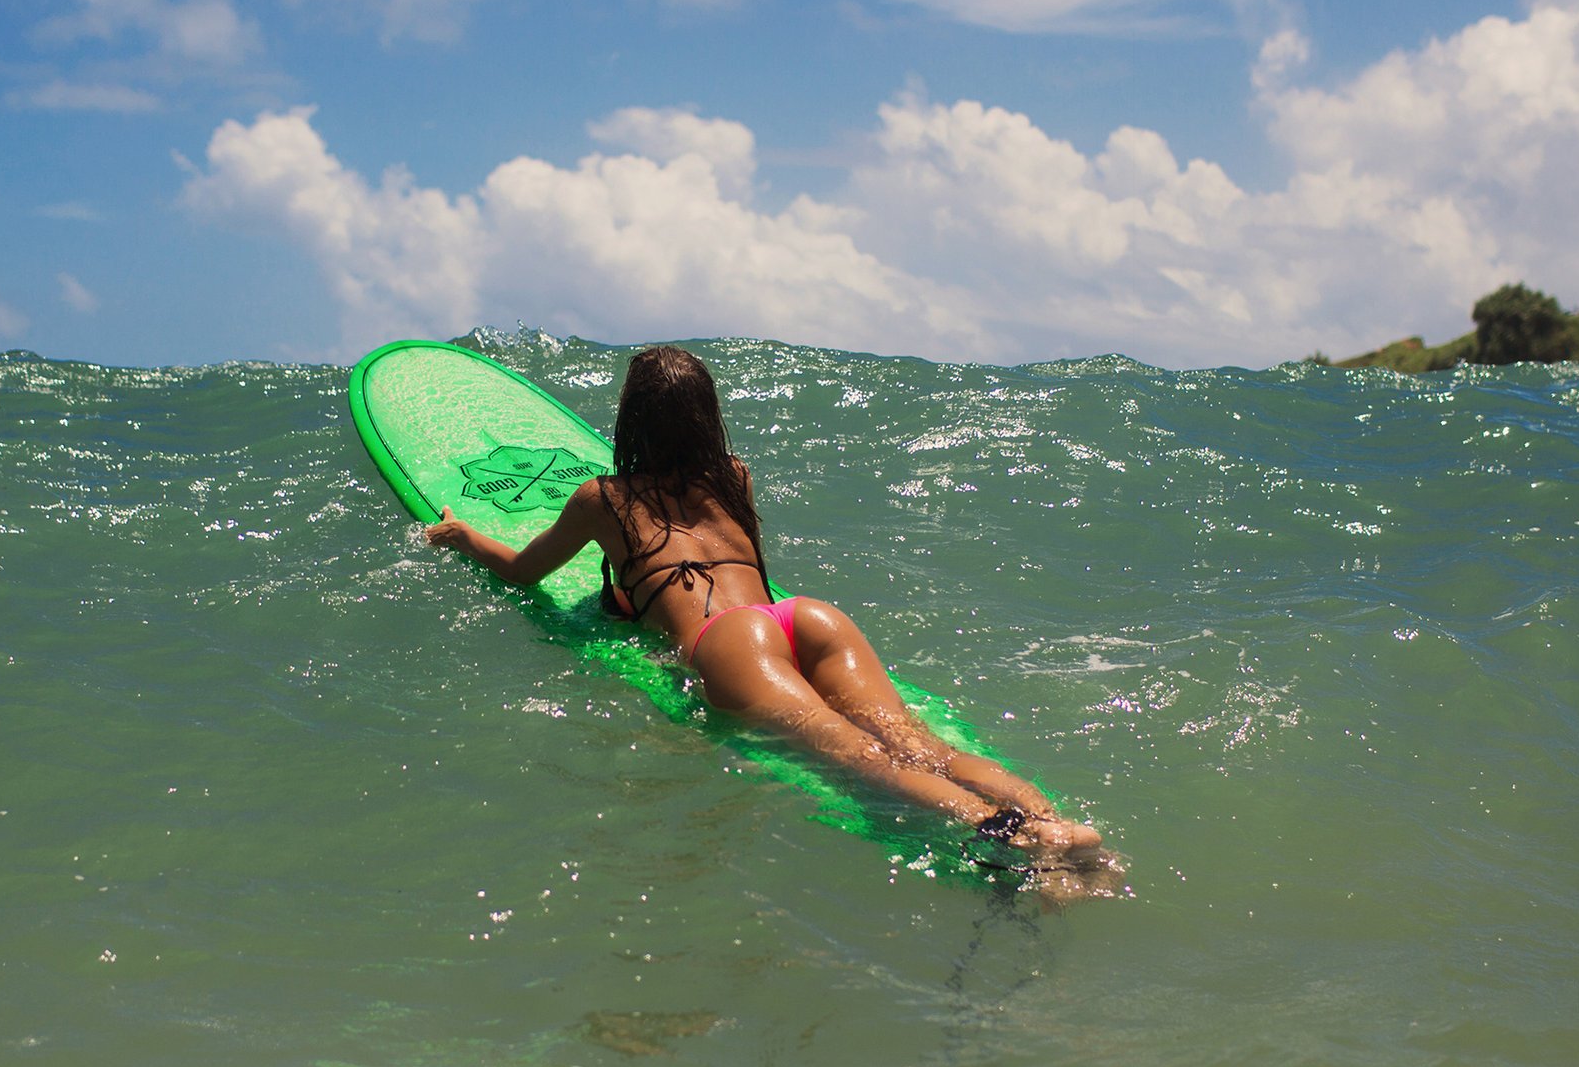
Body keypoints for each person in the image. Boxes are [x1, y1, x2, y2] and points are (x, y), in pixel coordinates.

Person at [424, 345, 1117, 898]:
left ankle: (1012, 838)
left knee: (862, 762)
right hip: (799, 617)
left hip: (728, 644)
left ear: (632, 420)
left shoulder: (602, 498)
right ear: (706, 417)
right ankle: (1057, 824)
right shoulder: (736, 475)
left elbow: (521, 571)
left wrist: (461, 536)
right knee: (919, 743)